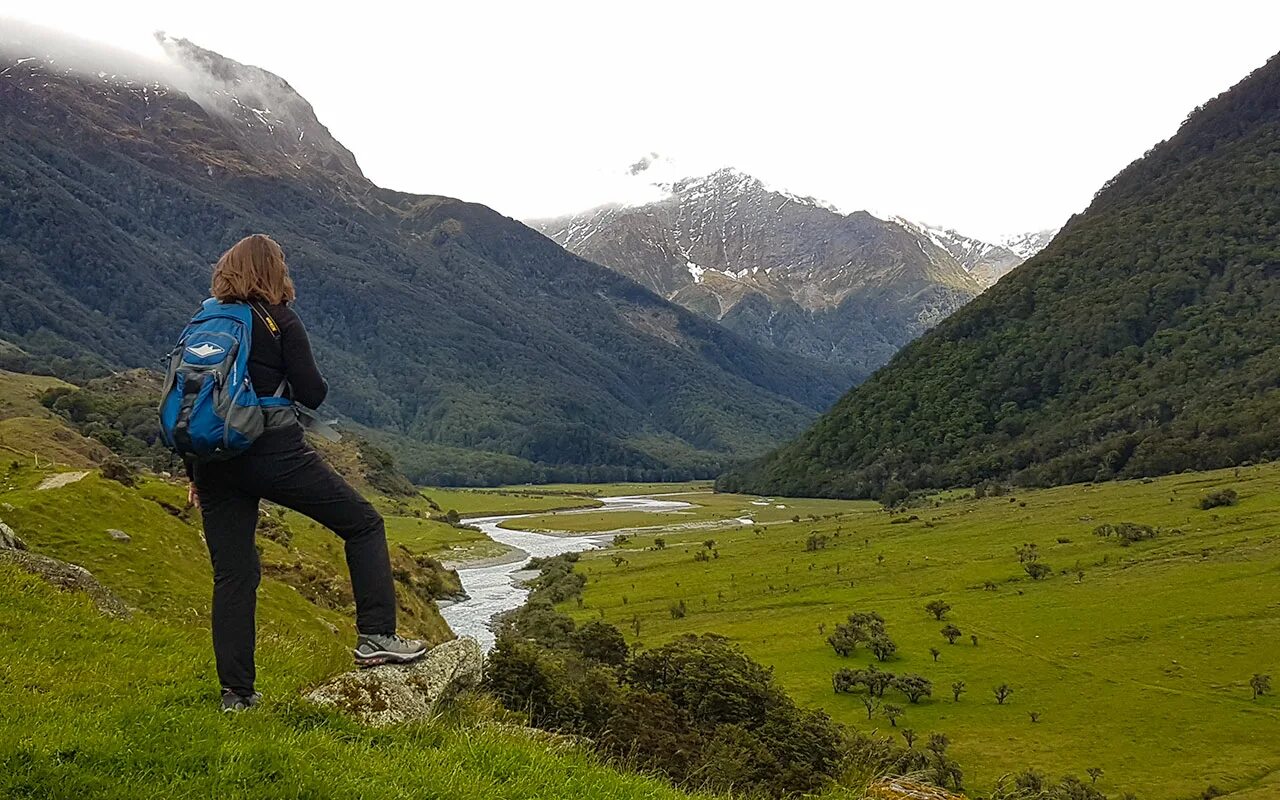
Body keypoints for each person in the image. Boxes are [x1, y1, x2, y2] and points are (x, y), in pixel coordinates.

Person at [186, 234, 427, 713]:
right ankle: (376, 636)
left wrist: (194, 473)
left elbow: (190, 402)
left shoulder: (203, 320)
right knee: (363, 524)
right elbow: (312, 393)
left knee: (233, 575)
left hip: (212, 462)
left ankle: (236, 695)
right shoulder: (278, 321)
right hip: (274, 454)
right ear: (272, 271)